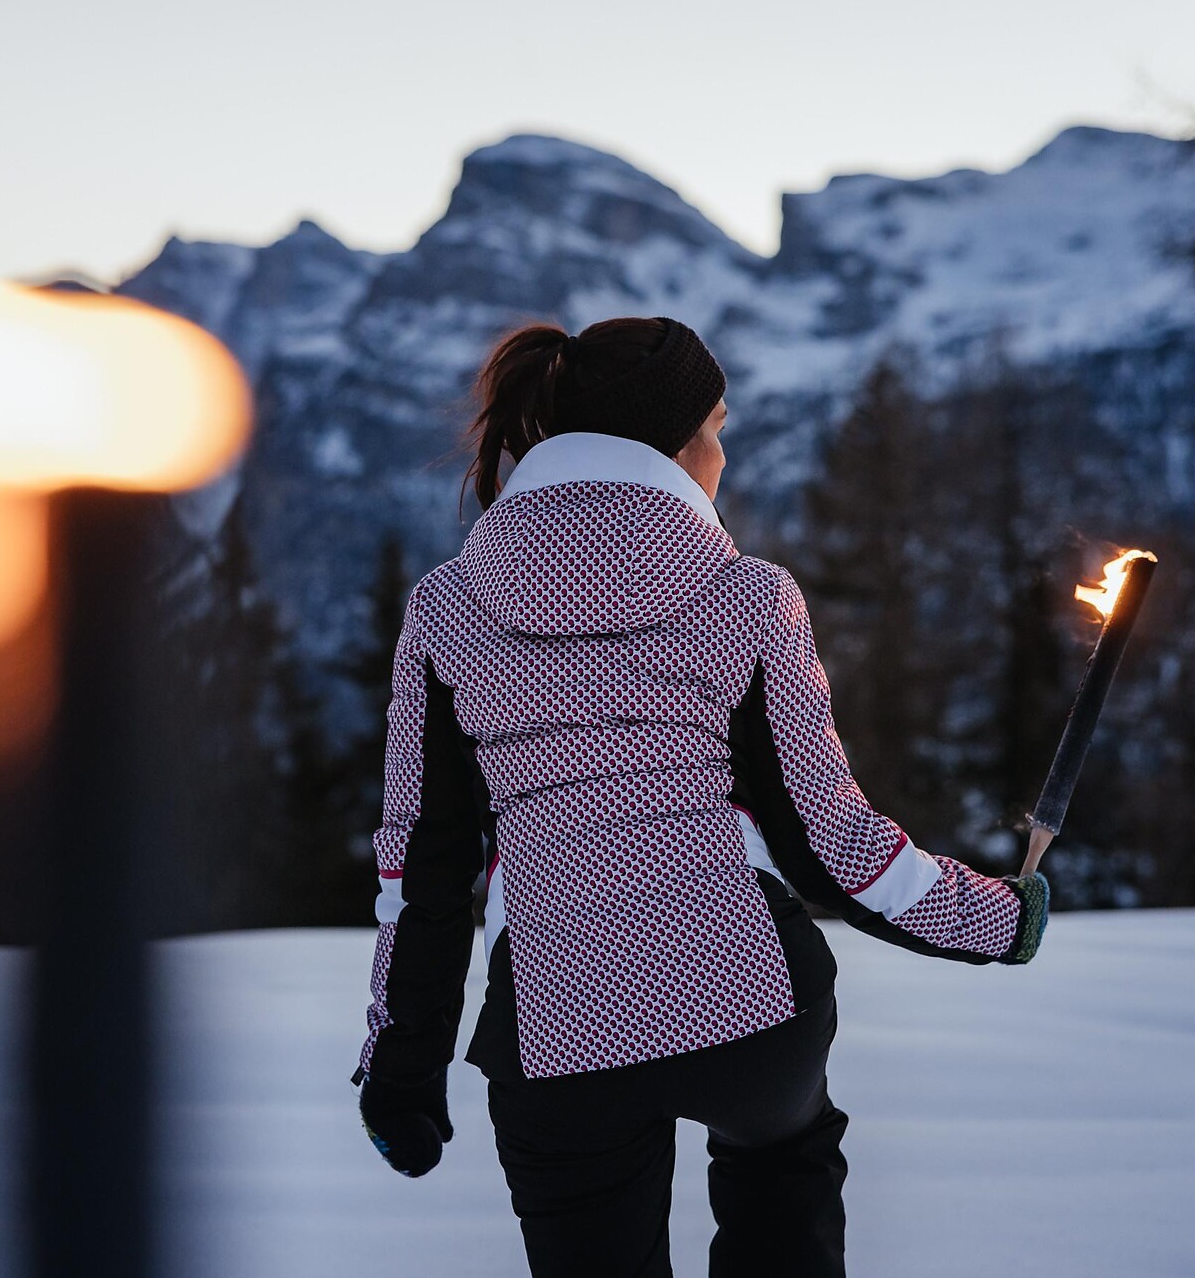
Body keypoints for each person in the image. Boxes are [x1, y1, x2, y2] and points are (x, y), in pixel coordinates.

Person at [351, 317, 1049, 1278]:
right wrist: (994, 919)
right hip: (753, 1016)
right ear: (676, 446)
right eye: (717, 428)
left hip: (560, 1032)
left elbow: (420, 870)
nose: (723, 456)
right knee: (783, 1176)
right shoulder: (748, 596)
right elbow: (831, 847)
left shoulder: (447, 607)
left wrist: (402, 1069)